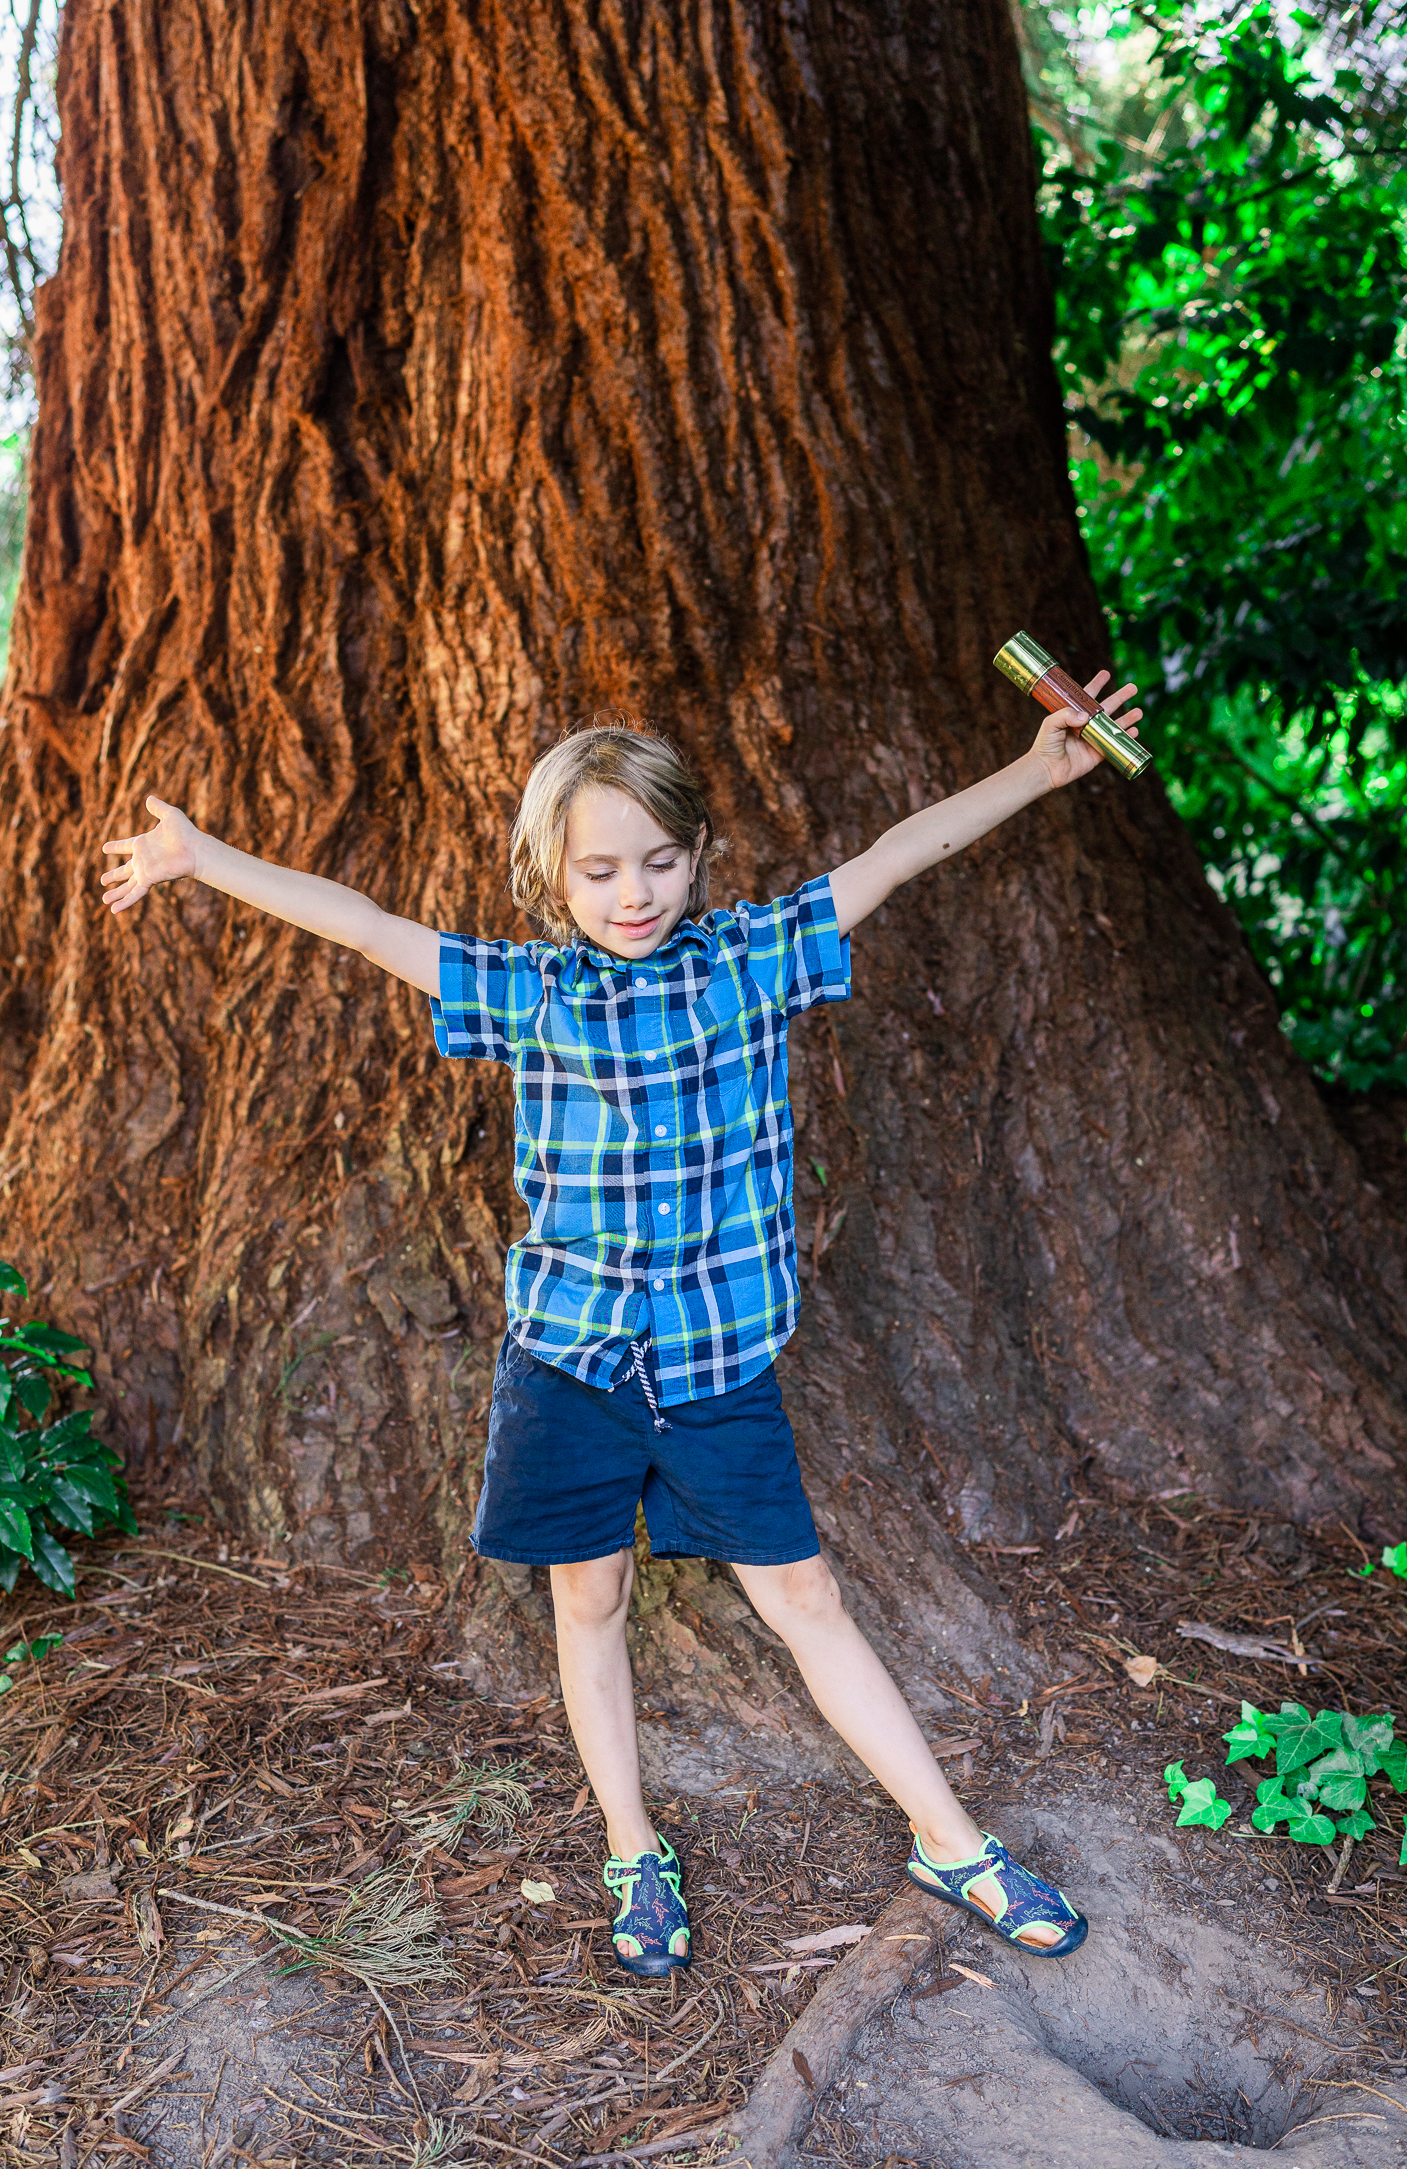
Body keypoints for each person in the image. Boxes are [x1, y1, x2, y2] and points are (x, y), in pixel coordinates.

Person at [102, 666, 1143, 1976]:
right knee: (585, 1603)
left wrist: (1037, 773)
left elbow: (896, 852)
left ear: (700, 857)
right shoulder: (529, 994)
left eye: (658, 862)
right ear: (552, 879)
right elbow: (365, 925)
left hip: (714, 1361)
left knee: (805, 1594)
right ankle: (634, 1849)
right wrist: (204, 858)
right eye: (598, 873)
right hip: (569, 1363)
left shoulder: (757, 958)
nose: (632, 896)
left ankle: (949, 1840)